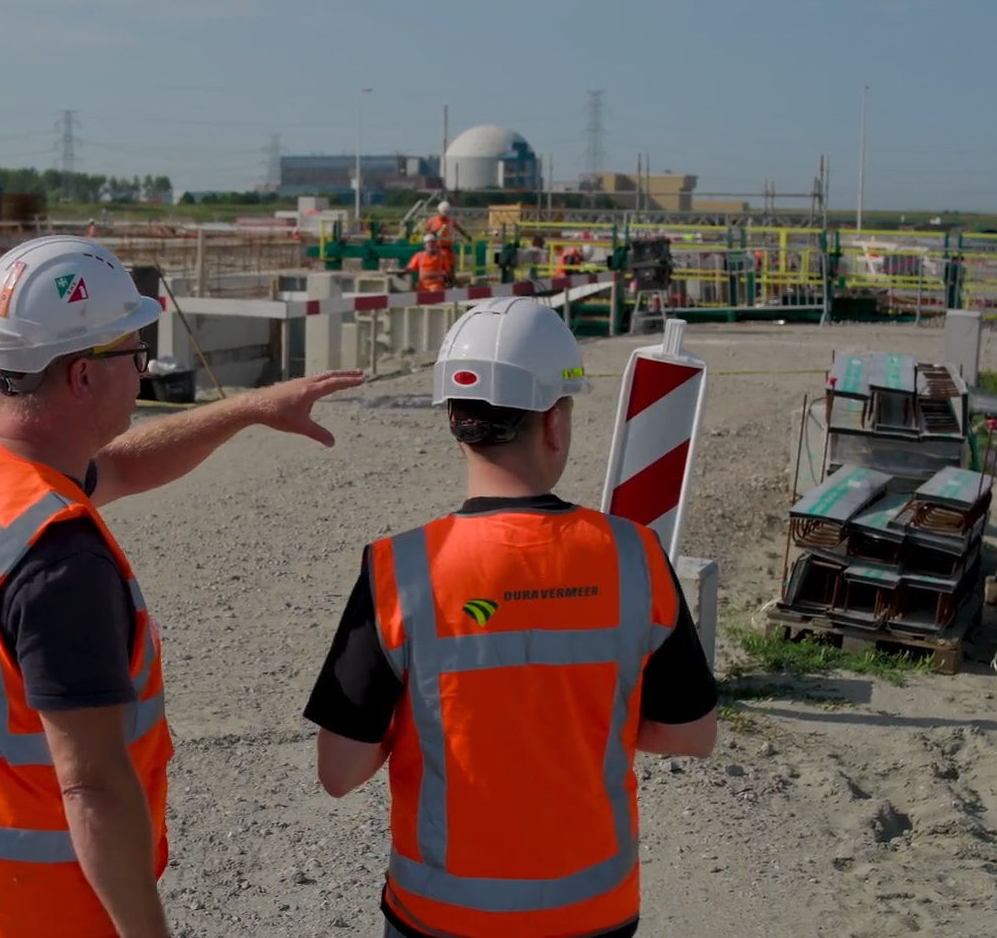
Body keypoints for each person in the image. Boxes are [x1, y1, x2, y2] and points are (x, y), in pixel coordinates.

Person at [0, 234, 363, 938]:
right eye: (134, 353)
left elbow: (118, 467)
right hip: (55, 908)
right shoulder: (59, 561)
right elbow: (91, 785)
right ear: (84, 375)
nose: (143, 370)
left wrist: (249, 409)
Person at [302, 295, 719, 938]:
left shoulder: (399, 569)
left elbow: (339, 773)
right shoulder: (635, 556)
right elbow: (692, 735)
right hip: (594, 912)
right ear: (553, 422)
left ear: (456, 421)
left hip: (442, 917)